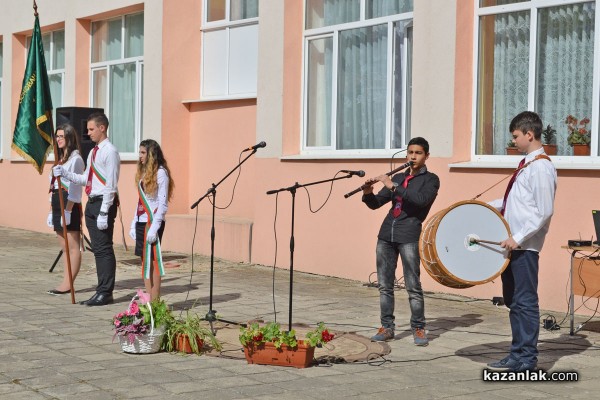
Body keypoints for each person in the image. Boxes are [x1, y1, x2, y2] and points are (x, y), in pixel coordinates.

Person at [487, 111, 557, 372]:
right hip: (512, 245)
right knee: (512, 300)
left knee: (525, 302)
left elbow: (543, 210)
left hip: (525, 246)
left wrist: (517, 237)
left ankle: (527, 358)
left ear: (529, 134)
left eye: (516, 136)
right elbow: (514, 205)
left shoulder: (541, 167)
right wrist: (485, 207)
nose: (514, 141)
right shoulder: (527, 165)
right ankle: (516, 354)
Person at [362, 137, 440, 346]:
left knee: (413, 285)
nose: (413, 156)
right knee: (385, 285)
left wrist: (394, 187)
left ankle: (419, 328)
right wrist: (367, 192)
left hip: (408, 235)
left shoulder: (431, 180)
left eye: (418, 153)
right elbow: (376, 204)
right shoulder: (397, 177)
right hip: (386, 235)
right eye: (410, 152)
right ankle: (387, 327)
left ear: (426, 156)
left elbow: (420, 200)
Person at [53, 112, 120, 306]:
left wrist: (105, 211)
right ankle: (101, 290)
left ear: (102, 128)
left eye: (91, 129)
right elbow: (86, 179)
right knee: (98, 250)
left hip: (102, 203)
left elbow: (111, 184)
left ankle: (105, 292)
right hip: (92, 201)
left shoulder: (110, 151)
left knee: (104, 249)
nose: (88, 133)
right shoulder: (93, 152)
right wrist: (65, 173)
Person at [129, 139, 174, 301]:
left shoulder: (161, 173)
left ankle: (155, 300)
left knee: (153, 259)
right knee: (144, 259)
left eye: (143, 152)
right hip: (142, 220)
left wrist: (155, 227)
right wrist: (134, 222)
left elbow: (162, 204)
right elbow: (141, 200)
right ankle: (148, 298)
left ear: (151, 154)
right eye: (139, 152)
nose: (139, 156)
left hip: (153, 222)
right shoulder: (143, 173)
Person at [46, 124, 85, 295]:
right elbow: (54, 184)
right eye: (57, 136)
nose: (58, 139)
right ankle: (65, 281)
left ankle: (68, 284)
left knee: (73, 246)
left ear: (70, 137)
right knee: (64, 247)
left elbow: (75, 188)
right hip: (57, 201)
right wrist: (51, 209)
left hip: (68, 203)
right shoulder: (61, 159)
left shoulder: (76, 159)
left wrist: (68, 211)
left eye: (62, 136)